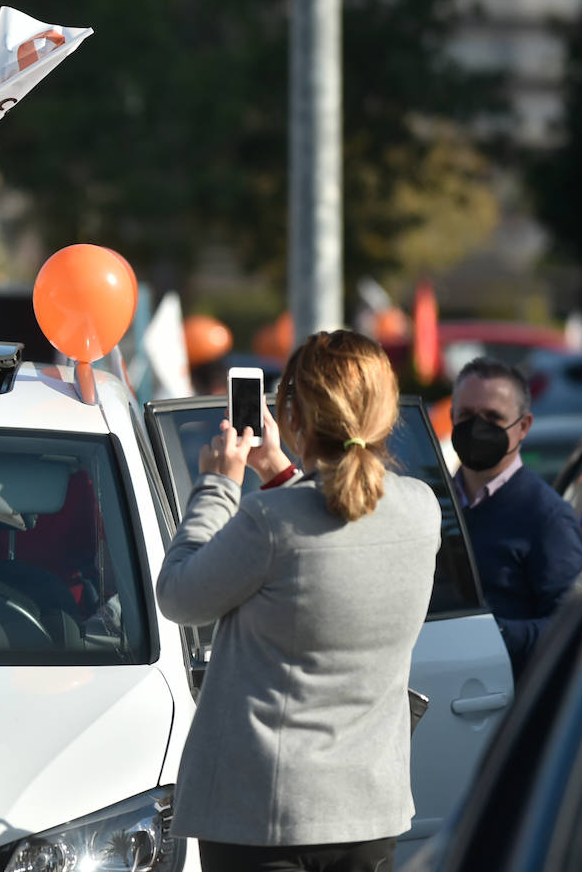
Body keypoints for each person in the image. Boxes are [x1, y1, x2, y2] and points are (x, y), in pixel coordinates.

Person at [156, 330, 441, 872]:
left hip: (264, 817)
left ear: (296, 416)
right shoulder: (423, 509)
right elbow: (329, 529)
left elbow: (179, 596)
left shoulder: (271, 522)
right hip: (369, 810)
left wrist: (218, 484)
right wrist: (279, 471)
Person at [450, 356, 582, 678]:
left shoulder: (547, 518)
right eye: (467, 415)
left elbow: (573, 628)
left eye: (492, 418)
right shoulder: (431, 502)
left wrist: (496, 635)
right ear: (451, 417)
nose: (476, 428)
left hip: (499, 710)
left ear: (523, 427)